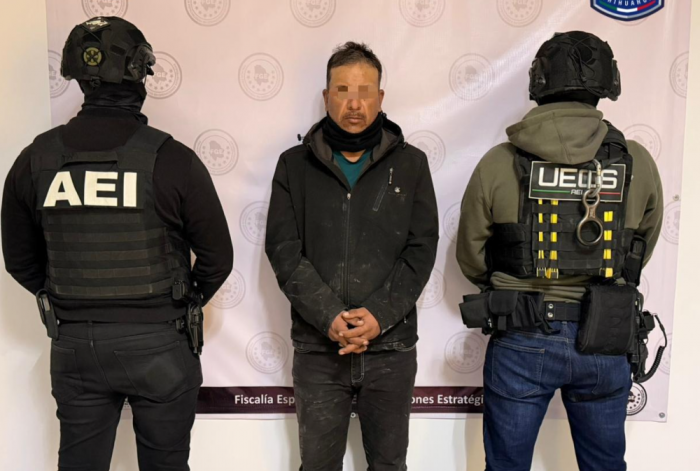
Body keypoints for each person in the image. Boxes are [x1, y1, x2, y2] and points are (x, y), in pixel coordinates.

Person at [1, 17, 233, 471]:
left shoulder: (35, 159)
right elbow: (217, 258)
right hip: (159, 344)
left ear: (76, 76)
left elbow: (20, 261)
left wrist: (72, 295)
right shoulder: (173, 159)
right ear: (139, 72)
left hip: (76, 346)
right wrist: (181, 302)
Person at [456, 31, 664, 471]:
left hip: (522, 336)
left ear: (539, 82)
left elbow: (471, 256)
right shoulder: (638, 162)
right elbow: (639, 249)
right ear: (606, 83)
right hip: (606, 336)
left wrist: (514, 280)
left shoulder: (498, 163)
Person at [265, 41, 439, 470]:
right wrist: (328, 315)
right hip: (318, 349)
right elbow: (284, 250)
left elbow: (421, 249)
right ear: (327, 97)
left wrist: (379, 314)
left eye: (365, 92)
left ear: (381, 97)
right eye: (343, 91)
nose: (355, 103)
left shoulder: (412, 165)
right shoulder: (293, 165)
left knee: (389, 465)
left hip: (391, 347)